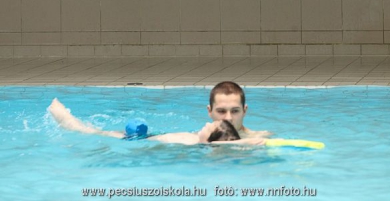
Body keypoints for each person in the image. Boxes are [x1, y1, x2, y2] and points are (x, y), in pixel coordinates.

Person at [48, 98, 264, 146]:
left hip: (138, 142)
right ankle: (69, 121)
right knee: (101, 132)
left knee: (94, 132)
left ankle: (68, 121)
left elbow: (226, 145)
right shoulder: (198, 140)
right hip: (146, 137)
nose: (207, 124)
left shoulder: (202, 145)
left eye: (210, 128)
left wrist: (247, 142)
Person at [207, 81, 272, 138]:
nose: (228, 118)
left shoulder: (259, 138)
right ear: (210, 111)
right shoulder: (201, 138)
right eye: (221, 111)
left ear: (244, 111)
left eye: (235, 111)